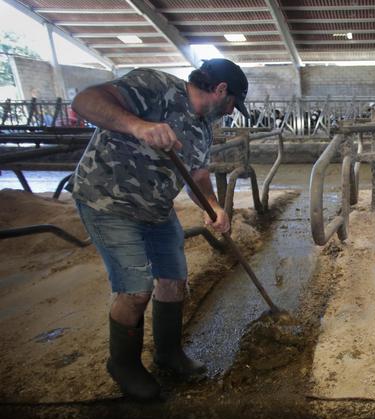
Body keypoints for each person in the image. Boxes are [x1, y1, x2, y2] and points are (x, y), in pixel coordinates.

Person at [67, 59, 249, 400]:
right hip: (108, 203)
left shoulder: (203, 128)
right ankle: (123, 365)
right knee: (135, 290)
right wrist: (138, 126)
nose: (230, 112)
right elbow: (85, 101)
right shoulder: (154, 85)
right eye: (232, 104)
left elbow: (197, 175)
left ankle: (168, 353)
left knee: (174, 279)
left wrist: (214, 207)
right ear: (221, 91)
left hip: (157, 209)